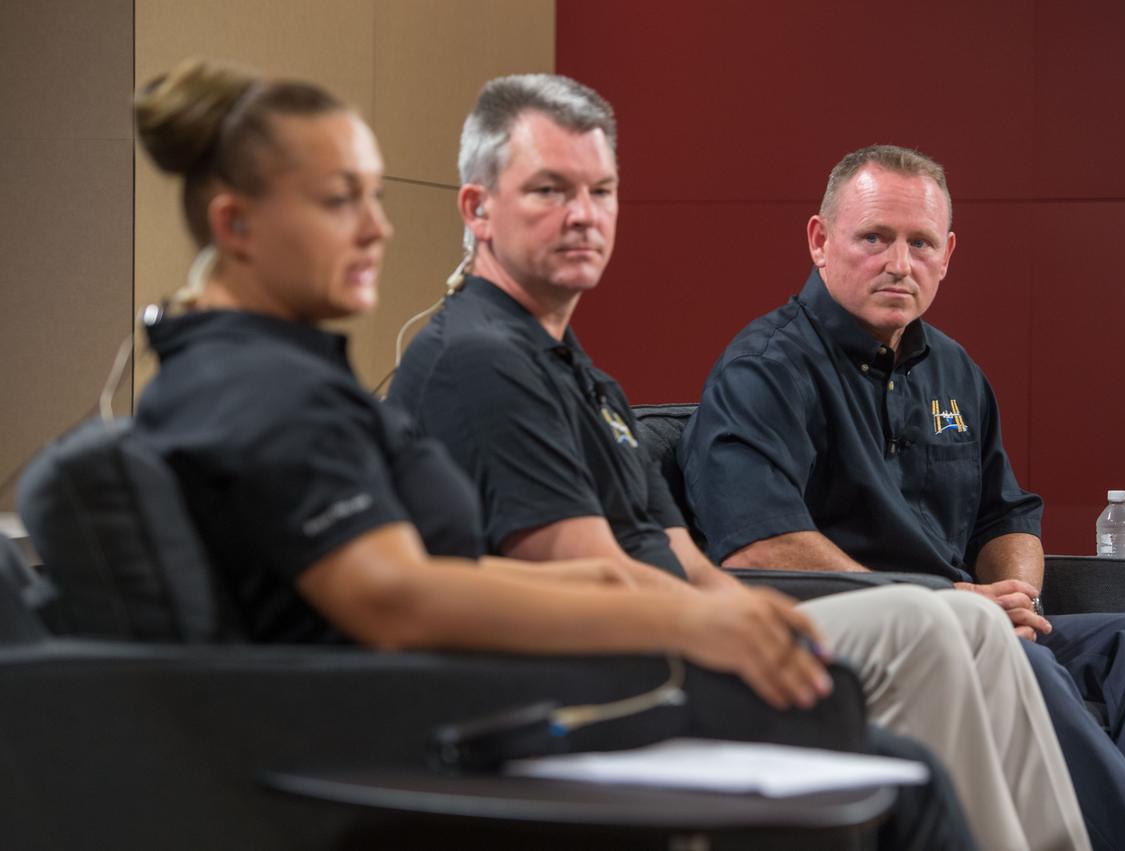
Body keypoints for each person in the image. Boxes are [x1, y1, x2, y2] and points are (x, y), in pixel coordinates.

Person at [127, 57, 898, 807]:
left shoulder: (277, 373)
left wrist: (618, 589)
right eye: (339, 200)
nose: (377, 228)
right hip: (410, 748)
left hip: (452, 706)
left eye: (374, 197)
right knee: (897, 766)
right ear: (235, 224)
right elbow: (396, 596)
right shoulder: (261, 386)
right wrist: (681, 617)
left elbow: (427, 571)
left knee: (894, 753)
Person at [390, 73, 1088, 851]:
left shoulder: (579, 371)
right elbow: (593, 574)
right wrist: (732, 623)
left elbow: (678, 552)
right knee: (933, 619)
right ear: (478, 209)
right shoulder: (479, 359)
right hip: (611, 666)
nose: (583, 214)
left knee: (970, 621)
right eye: (549, 190)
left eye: (601, 190)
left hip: (675, 628)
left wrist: (753, 611)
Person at [679, 143, 1125, 851]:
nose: (899, 263)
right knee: (1017, 663)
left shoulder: (953, 369)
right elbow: (761, 546)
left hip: (974, 618)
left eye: (920, 243)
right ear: (820, 241)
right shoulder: (764, 370)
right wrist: (950, 602)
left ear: (947, 254)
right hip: (866, 636)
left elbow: (1005, 515)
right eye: (874, 238)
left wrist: (1017, 599)